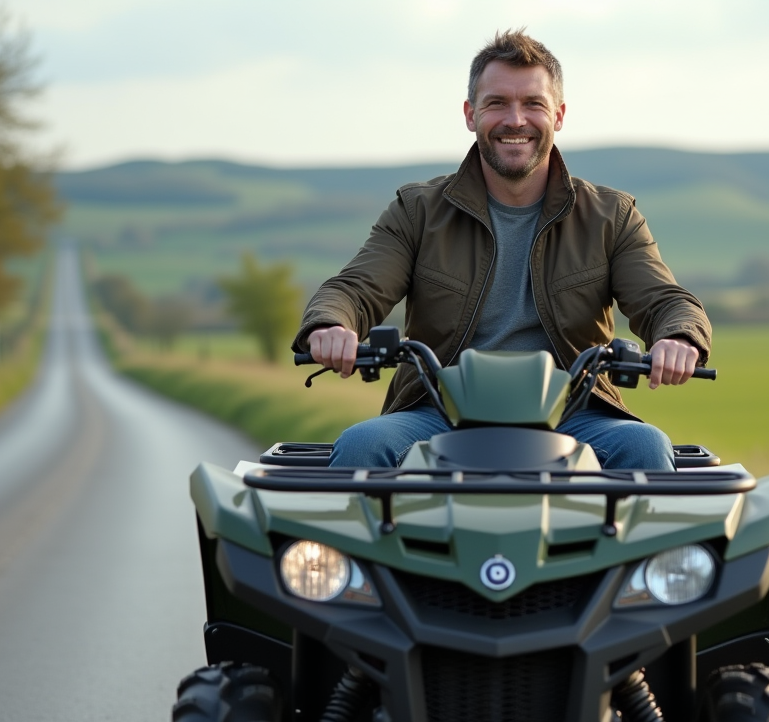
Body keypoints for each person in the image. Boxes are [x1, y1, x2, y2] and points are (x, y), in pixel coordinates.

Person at [292, 29, 711, 470]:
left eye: (533, 103)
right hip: (438, 410)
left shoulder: (612, 215)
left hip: (574, 412)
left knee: (645, 447)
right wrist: (332, 323)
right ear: (471, 114)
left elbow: (666, 300)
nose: (516, 120)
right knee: (362, 446)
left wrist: (679, 336)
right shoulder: (417, 210)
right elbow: (356, 288)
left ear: (559, 115)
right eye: (497, 103)